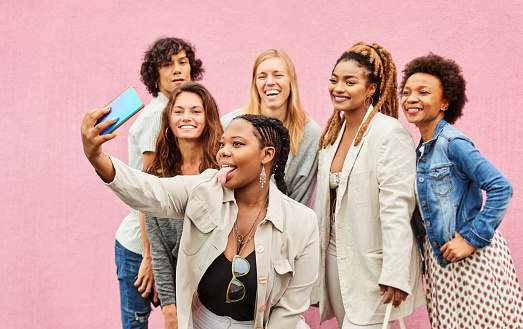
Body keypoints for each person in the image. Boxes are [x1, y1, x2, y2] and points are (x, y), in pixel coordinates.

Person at [81, 112, 319, 329]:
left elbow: (288, 312)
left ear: (267, 154)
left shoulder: (302, 223)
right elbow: (150, 191)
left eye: (237, 144)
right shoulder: (205, 189)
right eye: (222, 144)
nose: (223, 151)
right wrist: (97, 158)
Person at [400, 53, 523, 328]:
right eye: (406, 92)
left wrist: (470, 240)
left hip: (474, 258)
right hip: (442, 263)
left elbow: (501, 187)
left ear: (445, 102)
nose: (411, 98)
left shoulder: (453, 143)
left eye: (423, 92)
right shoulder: (420, 151)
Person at [315, 42, 425, 329]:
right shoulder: (331, 136)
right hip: (333, 263)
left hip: (372, 268)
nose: (338, 88)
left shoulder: (389, 133)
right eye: (334, 80)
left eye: (350, 82)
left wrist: (395, 272)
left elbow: (397, 209)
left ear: (372, 89)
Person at [115, 37, 203, 329]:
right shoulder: (158, 117)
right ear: (155, 74)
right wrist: (149, 256)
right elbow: (148, 192)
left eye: (182, 62)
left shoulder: (180, 110)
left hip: (163, 244)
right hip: (140, 247)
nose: (177, 70)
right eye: (167, 64)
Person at [140, 82, 223, 329]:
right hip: (179, 287)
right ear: (168, 118)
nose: (186, 117)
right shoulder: (156, 175)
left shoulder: (223, 171)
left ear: (208, 118)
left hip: (220, 290)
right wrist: (169, 307)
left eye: (196, 111)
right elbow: (160, 249)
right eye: (179, 111)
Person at [221, 49, 321, 206]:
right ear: (255, 83)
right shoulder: (229, 124)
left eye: (278, 75)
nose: (269, 82)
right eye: (262, 76)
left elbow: (300, 202)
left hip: (286, 224)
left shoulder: (310, 133)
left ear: (291, 80)